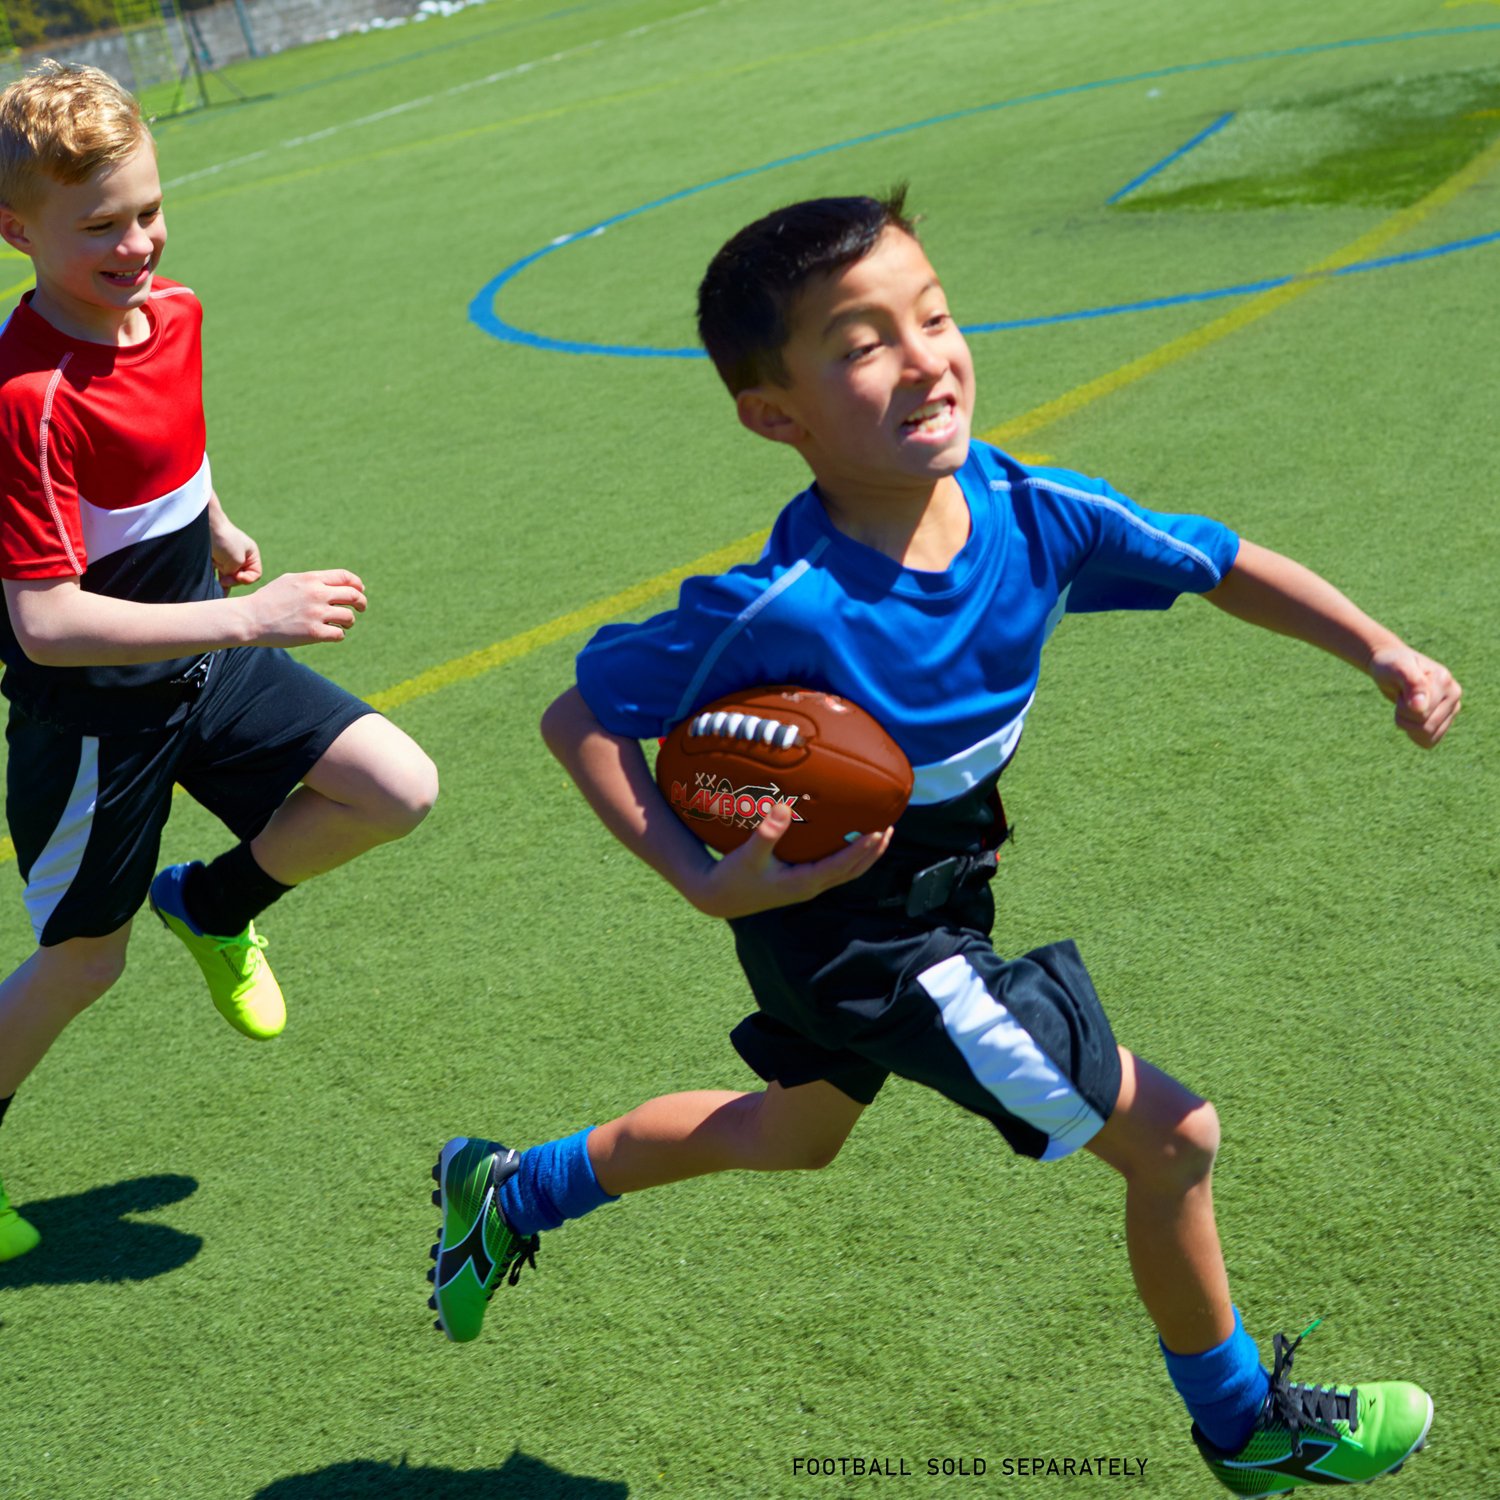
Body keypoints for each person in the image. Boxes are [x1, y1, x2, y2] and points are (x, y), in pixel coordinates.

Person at [428, 190, 1459, 1494]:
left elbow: (1214, 560)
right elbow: (580, 709)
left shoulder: (1030, 511)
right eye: (862, 343)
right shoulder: (776, 612)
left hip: (932, 902)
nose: (923, 356)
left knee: (793, 1135)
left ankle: (513, 1192)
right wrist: (693, 876)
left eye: (933, 314)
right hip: (868, 945)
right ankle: (1242, 1423)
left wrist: (1381, 651)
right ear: (775, 416)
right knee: (1174, 1139)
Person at [0, 61, 438, 1264]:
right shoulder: (25, 396)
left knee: (396, 788)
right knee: (83, 963)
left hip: (198, 649)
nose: (136, 244)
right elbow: (46, 621)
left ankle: (216, 902)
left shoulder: (176, 312)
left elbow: (168, 455)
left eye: (147, 210)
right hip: (97, 719)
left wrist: (217, 524)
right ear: (14, 230)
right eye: (100, 227)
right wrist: (256, 615)